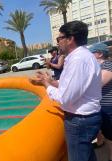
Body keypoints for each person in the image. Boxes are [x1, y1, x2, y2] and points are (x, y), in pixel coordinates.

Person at [30, 21, 102, 161]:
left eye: (59, 38)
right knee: (87, 156)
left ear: (70, 39)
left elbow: (65, 98)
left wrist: (46, 84)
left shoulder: (78, 60)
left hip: (79, 120)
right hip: (85, 118)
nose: (57, 43)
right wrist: (50, 81)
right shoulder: (81, 56)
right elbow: (69, 85)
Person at [89, 42, 112, 161]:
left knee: (110, 136)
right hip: (100, 105)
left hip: (108, 106)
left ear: (99, 54)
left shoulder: (108, 65)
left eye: (91, 53)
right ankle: (100, 142)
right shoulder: (97, 67)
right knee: (103, 130)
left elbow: (99, 84)